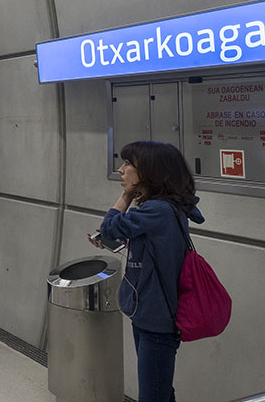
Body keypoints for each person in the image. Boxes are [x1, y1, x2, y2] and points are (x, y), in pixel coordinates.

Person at [92, 141, 204, 402]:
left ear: (150, 171)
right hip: (147, 315)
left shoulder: (158, 210)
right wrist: (114, 240)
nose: (120, 170)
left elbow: (109, 226)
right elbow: (150, 248)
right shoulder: (160, 209)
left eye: (128, 164)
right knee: (160, 391)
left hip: (157, 321)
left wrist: (126, 196)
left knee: (153, 395)